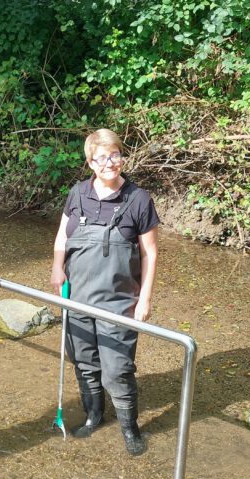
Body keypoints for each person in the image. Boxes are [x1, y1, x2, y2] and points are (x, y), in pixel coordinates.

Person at [50, 128, 159, 456]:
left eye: (115, 155)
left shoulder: (138, 200)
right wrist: (57, 266)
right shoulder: (77, 194)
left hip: (119, 303)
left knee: (117, 369)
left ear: (121, 157)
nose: (110, 163)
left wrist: (146, 299)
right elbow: (61, 238)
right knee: (84, 362)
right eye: (101, 157)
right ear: (90, 162)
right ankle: (94, 414)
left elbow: (151, 253)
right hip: (77, 297)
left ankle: (130, 427)